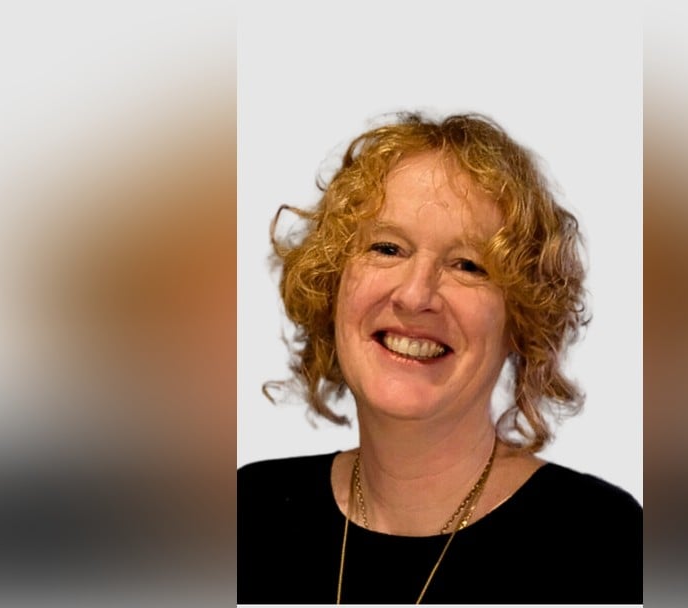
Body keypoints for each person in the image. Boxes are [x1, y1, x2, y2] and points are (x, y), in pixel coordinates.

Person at [238, 111, 642, 604]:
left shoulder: (605, 543)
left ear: (523, 319)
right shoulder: (247, 513)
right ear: (331, 285)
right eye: (387, 248)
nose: (415, 295)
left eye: (468, 265)